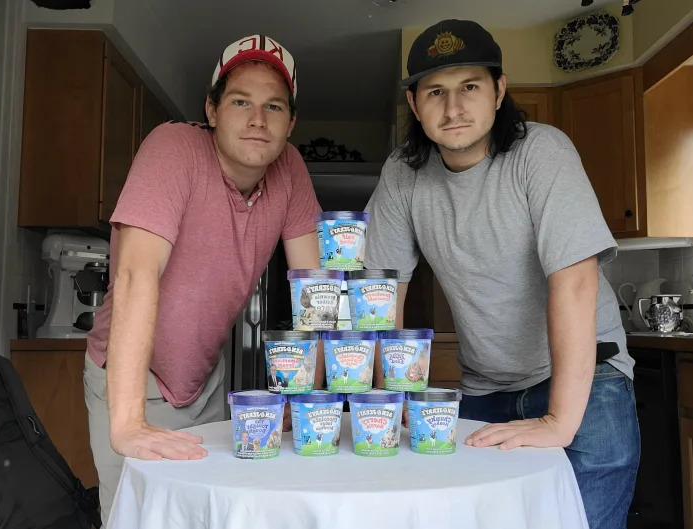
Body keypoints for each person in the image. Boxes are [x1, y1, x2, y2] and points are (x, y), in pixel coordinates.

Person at [364, 19, 639, 529]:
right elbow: (382, 293)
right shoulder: (402, 175)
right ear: (413, 101)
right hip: (485, 388)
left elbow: (574, 279)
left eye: (470, 86)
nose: (453, 108)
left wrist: (559, 422)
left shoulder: (542, 151)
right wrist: (390, 395)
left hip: (585, 382)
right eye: (436, 91)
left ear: (499, 91)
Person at [84, 34, 321, 525]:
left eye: (274, 107)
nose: (258, 120)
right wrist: (128, 424)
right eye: (241, 102)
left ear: (291, 123)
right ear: (211, 110)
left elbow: (314, 292)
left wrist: (307, 400)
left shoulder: (291, 169)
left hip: (207, 379)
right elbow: (135, 271)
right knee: (138, 518)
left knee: (210, 515)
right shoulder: (174, 147)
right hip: (133, 378)